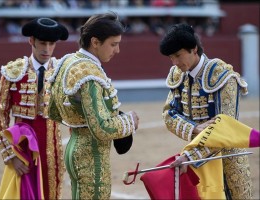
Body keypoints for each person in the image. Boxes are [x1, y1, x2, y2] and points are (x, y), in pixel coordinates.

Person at [49, 12, 139, 199]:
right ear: (95, 42)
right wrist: (129, 121)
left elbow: (54, 110)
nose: (117, 50)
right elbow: (102, 128)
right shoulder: (89, 73)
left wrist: (77, 121)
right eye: (113, 44)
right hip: (91, 155)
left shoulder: (68, 61)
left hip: (74, 147)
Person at [159, 23, 252, 199]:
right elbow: (168, 115)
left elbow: (225, 128)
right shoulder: (178, 75)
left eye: (178, 55)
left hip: (228, 161)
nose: (175, 63)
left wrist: (189, 156)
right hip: (197, 163)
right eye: (171, 58)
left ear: (194, 49)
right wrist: (194, 128)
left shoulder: (222, 75)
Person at [0, 17, 69, 199]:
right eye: (43, 43)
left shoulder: (62, 71)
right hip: (23, 149)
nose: (47, 49)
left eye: (52, 44)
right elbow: (0, 114)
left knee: (51, 193)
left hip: (52, 148)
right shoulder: (13, 72)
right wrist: (10, 154)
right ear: (31, 41)